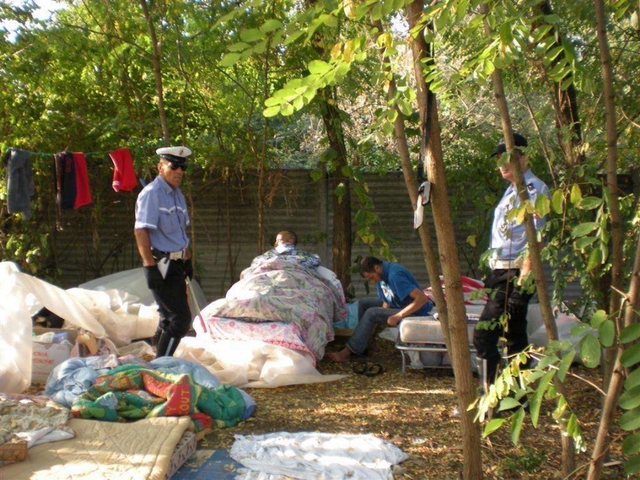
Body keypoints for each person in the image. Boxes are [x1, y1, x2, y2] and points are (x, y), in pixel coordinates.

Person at [473, 133, 551, 387]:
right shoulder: (512, 189)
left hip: (516, 273)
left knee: (484, 335)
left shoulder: (534, 189)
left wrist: (524, 279)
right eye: (499, 159)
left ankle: (490, 398)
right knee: (514, 336)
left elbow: (537, 237)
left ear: (523, 157)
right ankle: (519, 400)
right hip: (500, 271)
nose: (503, 165)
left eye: (508, 158)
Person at [134, 146, 194, 358]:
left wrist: (187, 259)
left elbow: (179, 232)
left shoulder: (177, 195)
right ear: (160, 167)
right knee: (180, 319)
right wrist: (149, 266)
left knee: (167, 317)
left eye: (183, 167)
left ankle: (154, 356)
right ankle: (162, 365)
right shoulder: (152, 194)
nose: (179, 171)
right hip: (161, 263)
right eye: (174, 165)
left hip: (177, 263)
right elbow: (141, 231)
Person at [326, 256, 433, 362]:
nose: (372, 281)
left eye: (371, 277)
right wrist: (372, 333)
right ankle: (364, 344)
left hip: (416, 310)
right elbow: (386, 301)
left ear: (376, 268)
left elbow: (422, 299)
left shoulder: (395, 276)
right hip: (398, 304)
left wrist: (398, 316)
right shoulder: (381, 276)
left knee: (372, 313)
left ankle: (347, 352)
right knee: (364, 303)